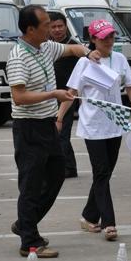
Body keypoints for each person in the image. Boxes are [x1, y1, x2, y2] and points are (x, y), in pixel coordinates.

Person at [6, 5, 101, 258]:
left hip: (47, 124)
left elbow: (71, 48)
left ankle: (26, 223)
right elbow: (19, 97)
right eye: (46, 25)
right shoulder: (19, 56)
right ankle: (30, 243)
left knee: (58, 172)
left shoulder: (45, 47)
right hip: (29, 128)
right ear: (30, 29)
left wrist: (87, 53)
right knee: (31, 184)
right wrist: (54, 94)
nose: (52, 29)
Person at [64, 19, 131, 242]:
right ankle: (109, 223)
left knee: (105, 173)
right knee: (101, 173)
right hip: (93, 127)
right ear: (93, 40)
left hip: (115, 125)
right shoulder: (84, 63)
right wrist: (60, 118)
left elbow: (130, 87)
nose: (109, 41)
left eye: (111, 36)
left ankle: (88, 216)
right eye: (103, 38)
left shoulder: (119, 59)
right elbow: (71, 92)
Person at [50, 11, 80, 178]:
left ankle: (69, 168)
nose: (57, 30)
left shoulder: (73, 47)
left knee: (62, 133)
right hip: (48, 97)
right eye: (53, 26)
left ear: (66, 26)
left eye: (60, 26)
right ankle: (63, 165)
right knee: (52, 133)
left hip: (67, 96)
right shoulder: (46, 46)